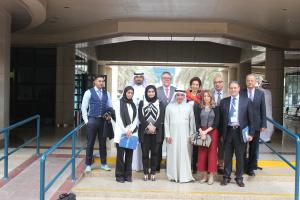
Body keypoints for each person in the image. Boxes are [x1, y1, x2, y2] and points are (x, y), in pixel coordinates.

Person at [219, 81, 254, 187]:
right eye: (231, 88)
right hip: (228, 131)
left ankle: (239, 178)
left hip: (240, 132)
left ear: (239, 88)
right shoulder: (224, 101)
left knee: (240, 156)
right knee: (227, 156)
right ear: (229, 89)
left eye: (235, 88)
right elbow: (221, 120)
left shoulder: (246, 101)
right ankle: (226, 177)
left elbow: (251, 119)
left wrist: (251, 134)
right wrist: (221, 134)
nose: (233, 90)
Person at [81, 75, 113, 172]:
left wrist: (109, 115)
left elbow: (110, 107)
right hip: (92, 120)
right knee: (90, 143)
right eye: (99, 81)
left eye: (102, 81)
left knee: (103, 144)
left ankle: (104, 164)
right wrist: (87, 121)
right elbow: (84, 107)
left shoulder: (107, 93)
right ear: (94, 82)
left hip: (103, 121)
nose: (101, 83)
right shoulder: (88, 92)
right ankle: (88, 164)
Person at [165, 90, 195, 183]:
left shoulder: (189, 107)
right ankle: (173, 175)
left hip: (186, 135)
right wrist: (167, 135)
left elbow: (192, 122)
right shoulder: (169, 107)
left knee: (185, 154)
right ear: (175, 96)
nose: (180, 97)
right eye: (178, 95)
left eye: (182, 95)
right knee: (173, 154)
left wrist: (191, 135)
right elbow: (166, 122)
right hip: (172, 136)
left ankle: (185, 176)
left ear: (184, 96)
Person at [241, 74, 266, 176]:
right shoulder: (241, 92)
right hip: (243, 125)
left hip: (256, 125)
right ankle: (242, 167)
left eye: (252, 80)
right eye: (248, 80)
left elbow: (263, 110)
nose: (250, 82)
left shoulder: (260, 94)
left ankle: (250, 168)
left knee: (253, 148)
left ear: (255, 82)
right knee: (242, 148)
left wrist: (263, 124)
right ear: (246, 81)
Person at [138, 85, 164, 181]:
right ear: (146, 93)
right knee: (145, 154)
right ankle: (145, 172)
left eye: (153, 91)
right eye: (149, 91)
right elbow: (140, 117)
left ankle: (153, 172)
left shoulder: (160, 103)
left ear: (155, 93)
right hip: (144, 132)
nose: (151, 93)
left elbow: (161, 116)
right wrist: (148, 126)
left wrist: (154, 126)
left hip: (156, 132)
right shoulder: (142, 103)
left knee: (155, 153)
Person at [194, 90, 219, 185]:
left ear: (211, 97)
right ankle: (205, 176)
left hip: (212, 132)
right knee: (202, 154)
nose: (206, 98)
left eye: (208, 96)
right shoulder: (199, 107)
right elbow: (197, 122)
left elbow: (216, 122)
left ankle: (211, 176)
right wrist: (201, 131)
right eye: (204, 96)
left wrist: (206, 131)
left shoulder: (216, 108)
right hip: (202, 132)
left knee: (212, 154)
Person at [114, 86, 138, 183]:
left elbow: (135, 118)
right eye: (128, 92)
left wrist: (131, 130)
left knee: (129, 155)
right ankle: (119, 175)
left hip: (131, 134)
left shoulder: (133, 104)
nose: (130, 94)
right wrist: (125, 130)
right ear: (125, 93)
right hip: (121, 133)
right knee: (120, 156)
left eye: (131, 93)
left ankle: (128, 175)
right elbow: (118, 118)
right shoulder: (119, 103)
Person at [156, 71, 176, 172]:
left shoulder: (175, 90)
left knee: (171, 142)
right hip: (160, 122)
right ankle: (157, 166)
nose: (166, 80)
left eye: (168, 78)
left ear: (171, 79)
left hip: (172, 122)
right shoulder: (156, 90)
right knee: (159, 143)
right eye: (164, 78)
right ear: (161, 79)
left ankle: (170, 165)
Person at [129, 72, 147, 171]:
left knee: (142, 142)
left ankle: (140, 165)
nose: (139, 79)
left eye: (140, 77)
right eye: (137, 77)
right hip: (132, 120)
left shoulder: (146, 90)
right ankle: (131, 165)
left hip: (143, 120)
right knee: (132, 140)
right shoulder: (129, 89)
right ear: (134, 78)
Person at [186, 77, 203, 174]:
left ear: (199, 86)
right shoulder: (186, 96)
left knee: (196, 145)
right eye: (194, 84)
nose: (195, 86)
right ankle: (186, 165)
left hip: (197, 122)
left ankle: (195, 167)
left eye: (197, 84)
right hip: (187, 122)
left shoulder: (202, 96)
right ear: (191, 85)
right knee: (187, 144)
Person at [211, 75, 228, 174]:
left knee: (222, 145)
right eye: (215, 82)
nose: (217, 84)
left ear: (223, 83)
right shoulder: (210, 94)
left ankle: (221, 164)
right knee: (211, 145)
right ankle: (211, 164)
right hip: (212, 124)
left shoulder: (228, 94)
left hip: (224, 124)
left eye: (219, 82)